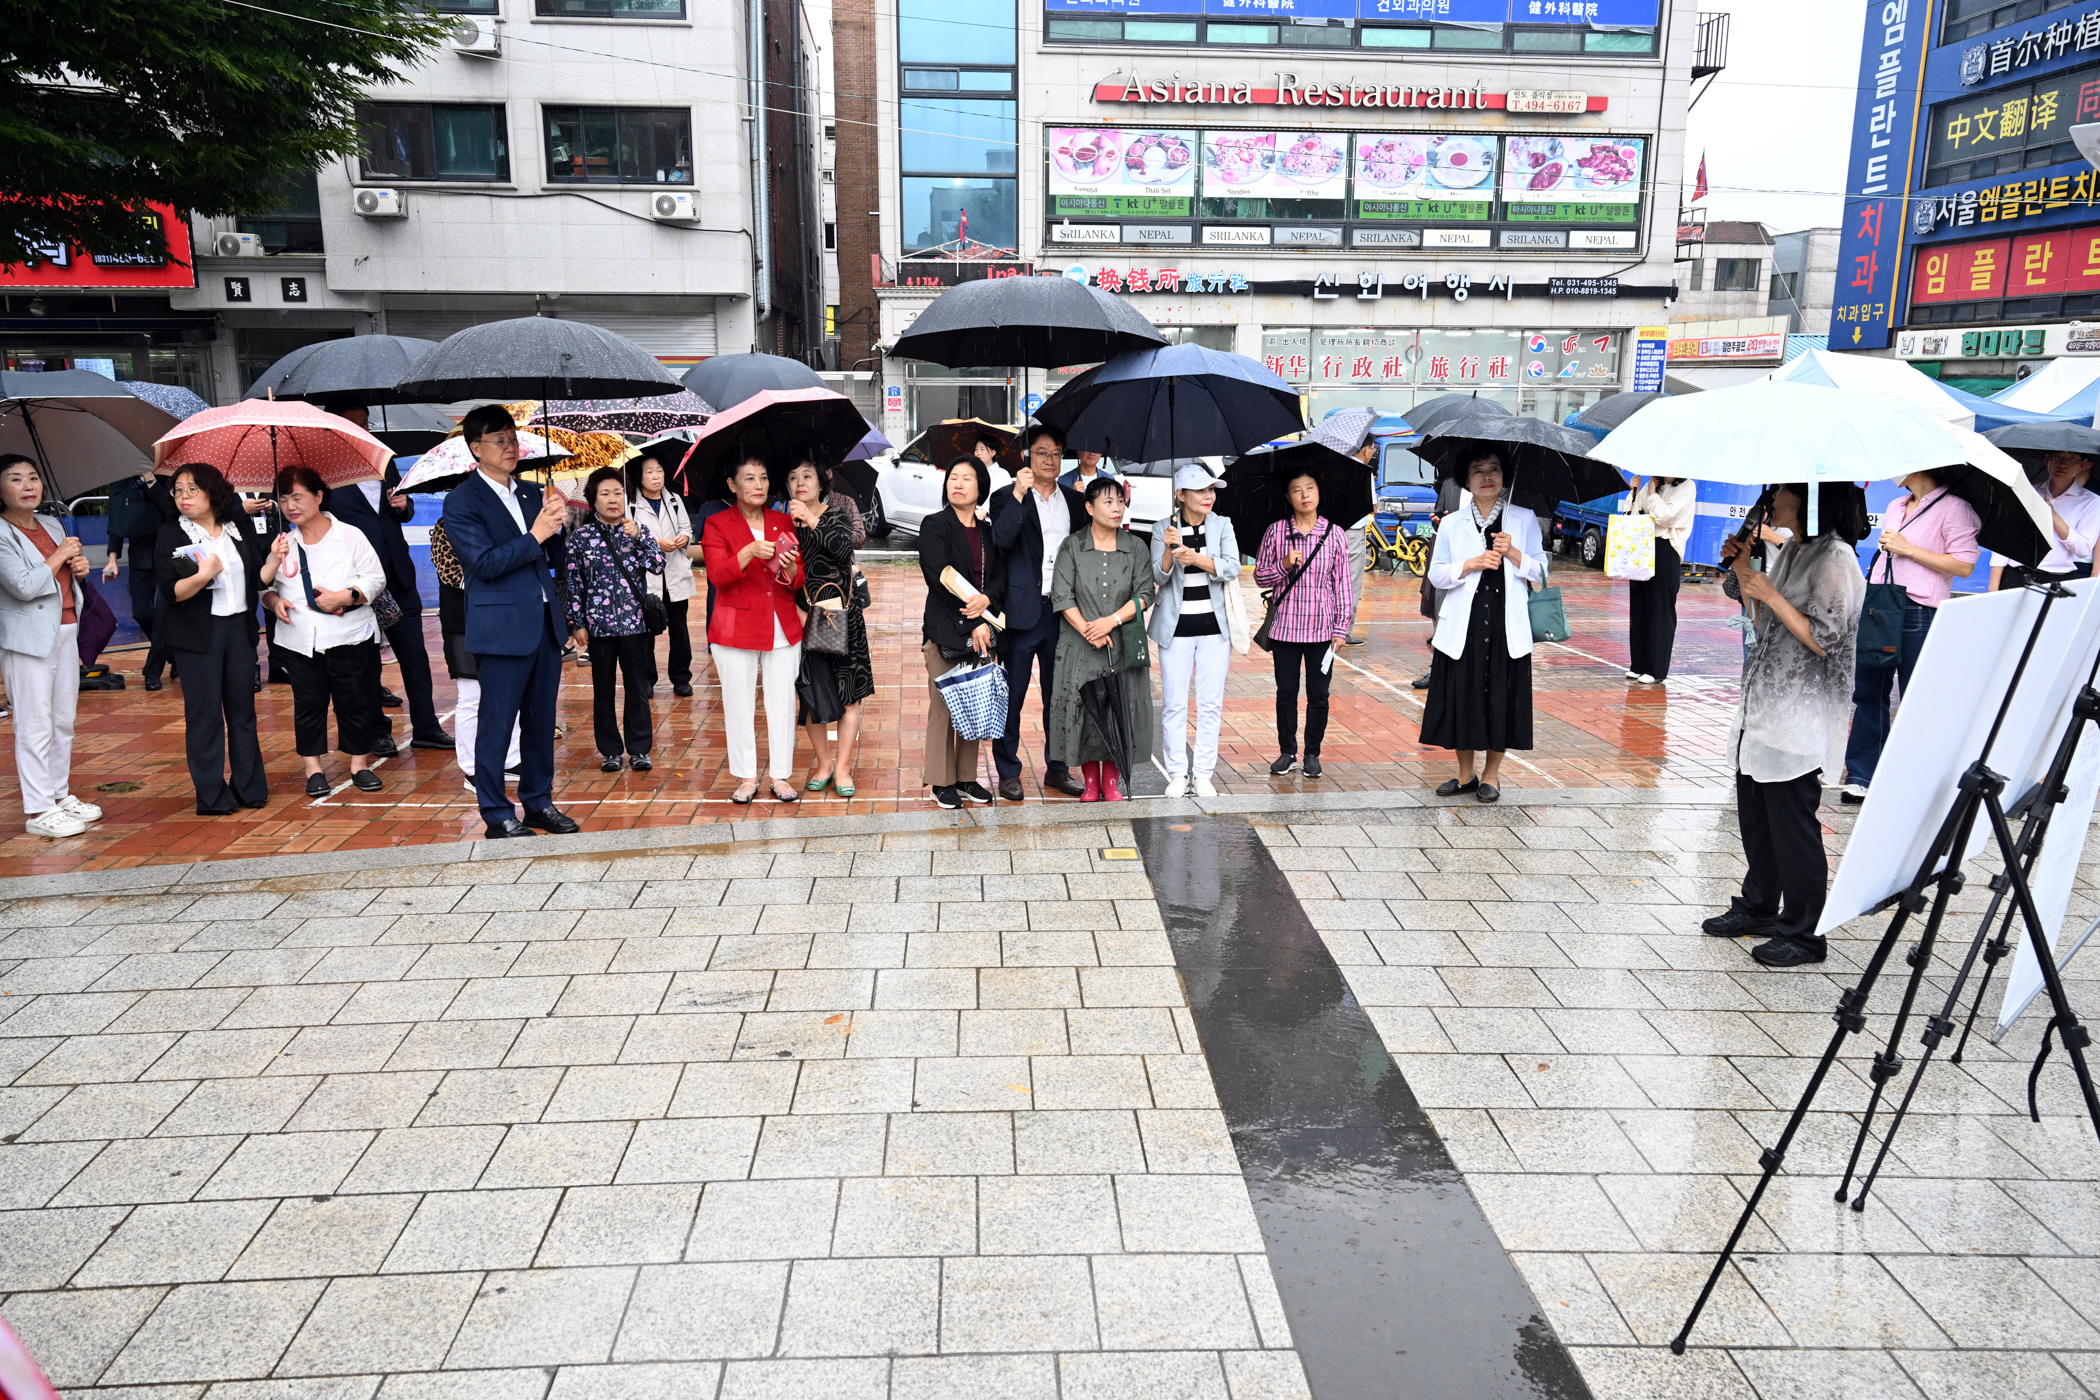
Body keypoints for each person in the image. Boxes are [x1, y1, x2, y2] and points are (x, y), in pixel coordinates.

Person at [1703, 482, 1869, 968]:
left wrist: (1770, 593)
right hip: (1765, 704)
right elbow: (1762, 618)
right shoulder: (1795, 548)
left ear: (1813, 499)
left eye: (1784, 491)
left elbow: (1826, 638)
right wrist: (1742, 566)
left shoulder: (1835, 557)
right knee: (1758, 817)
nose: (1772, 499)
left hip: (1801, 712)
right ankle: (1758, 907)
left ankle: (1803, 933)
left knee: (1793, 824)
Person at [440, 405, 582, 839]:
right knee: (497, 724)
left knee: (541, 723)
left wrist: (558, 527)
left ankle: (538, 802)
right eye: (499, 439)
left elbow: (552, 560)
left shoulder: (529, 493)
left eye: (512, 438)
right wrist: (536, 533)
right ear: (475, 448)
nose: (510, 446)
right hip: (501, 629)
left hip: (542, 623)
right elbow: (484, 564)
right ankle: (496, 813)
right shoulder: (462, 501)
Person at [1838, 470, 1981, 804]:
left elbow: (1963, 566)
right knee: (1869, 693)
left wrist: (1909, 549)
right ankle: (1861, 775)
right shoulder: (1896, 505)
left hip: (1919, 610)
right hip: (1880, 605)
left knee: (1918, 697)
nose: (1893, 470)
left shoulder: (1954, 507)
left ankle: (1919, 776)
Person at [1419, 450, 1548, 803]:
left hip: (1507, 627)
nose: (1487, 476)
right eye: (1478, 471)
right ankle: (1465, 774)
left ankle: (1491, 775)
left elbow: (1542, 573)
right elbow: (1437, 574)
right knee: (1462, 697)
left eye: (1494, 469)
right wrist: (1471, 563)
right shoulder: (1451, 523)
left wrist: (1515, 554)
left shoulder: (1522, 519)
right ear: (1466, 480)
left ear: (1505, 476)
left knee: (1501, 700)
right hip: (1464, 625)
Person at [327, 403, 451, 755]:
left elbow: (401, 511)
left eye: (364, 423)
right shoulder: (326, 473)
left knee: (415, 656)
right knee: (366, 664)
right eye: (352, 424)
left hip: (398, 577)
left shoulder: (385, 462)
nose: (361, 430)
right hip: (356, 583)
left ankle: (426, 727)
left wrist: (405, 506)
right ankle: (378, 731)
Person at [259, 466, 389, 800]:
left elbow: (375, 578)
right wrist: (274, 602)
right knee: (308, 704)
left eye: (298, 497)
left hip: (350, 634)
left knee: (356, 700)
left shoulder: (349, 535)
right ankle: (313, 769)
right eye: (284, 498)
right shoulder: (283, 544)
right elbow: (264, 588)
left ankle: (359, 763)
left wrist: (344, 596)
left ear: (318, 496)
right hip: (300, 638)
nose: (291, 505)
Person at [155, 462, 269, 815]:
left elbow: (256, 579)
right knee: (205, 717)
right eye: (178, 490)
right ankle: (212, 795)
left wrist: (276, 558)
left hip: (239, 629)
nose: (184, 497)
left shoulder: (236, 527)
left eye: (192, 489)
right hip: (197, 636)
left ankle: (249, 788)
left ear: (212, 492)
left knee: (242, 712)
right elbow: (171, 592)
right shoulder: (172, 534)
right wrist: (203, 575)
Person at [988, 423, 1089, 801]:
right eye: (1042, 452)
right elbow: (1001, 540)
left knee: (1060, 696)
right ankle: (1008, 770)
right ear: (1027, 456)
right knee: (1012, 696)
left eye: (1056, 453)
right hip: (1021, 612)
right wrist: (1019, 492)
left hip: (1062, 613)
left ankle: (1058, 767)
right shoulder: (1006, 497)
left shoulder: (1075, 502)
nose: (1050, 459)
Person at [0, 455, 99, 838]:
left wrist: (77, 569)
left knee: (63, 720)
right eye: (15, 479)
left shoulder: (51, 523)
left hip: (66, 629)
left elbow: (62, 577)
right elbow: (22, 586)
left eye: (33, 477)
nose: (28, 486)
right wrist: (58, 556)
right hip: (27, 639)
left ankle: (59, 795)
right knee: (34, 722)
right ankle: (39, 807)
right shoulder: (3, 532)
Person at [703, 455, 805, 804]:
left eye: (763, 478)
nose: (758, 485)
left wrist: (789, 568)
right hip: (734, 628)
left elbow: (797, 580)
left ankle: (780, 775)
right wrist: (747, 551)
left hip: (781, 624)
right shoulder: (717, 524)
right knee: (738, 702)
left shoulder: (781, 519)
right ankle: (746, 776)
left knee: (781, 703)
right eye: (749, 478)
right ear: (733, 485)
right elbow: (717, 576)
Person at [1050, 477, 1157, 802]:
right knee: (1084, 710)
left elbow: (1145, 594)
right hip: (1079, 646)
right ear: (1089, 506)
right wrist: (1088, 629)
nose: (1116, 508)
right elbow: (1061, 595)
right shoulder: (1072, 546)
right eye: (1108, 501)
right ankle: (1091, 781)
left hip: (1121, 644)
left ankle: (1111, 782)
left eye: (1120, 501)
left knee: (1116, 709)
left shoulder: (1135, 546)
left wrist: (1111, 621)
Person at [1253, 467, 1352, 779]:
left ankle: (1312, 753)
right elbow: (1259, 577)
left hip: (1322, 631)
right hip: (1285, 629)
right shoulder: (1276, 532)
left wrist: (1341, 628)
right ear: (1288, 496)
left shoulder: (1333, 533)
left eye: (1310, 488)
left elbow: (1343, 585)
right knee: (1286, 692)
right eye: (1297, 489)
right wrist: (1283, 565)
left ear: (1319, 493)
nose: (1305, 495)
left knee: (1318, 695)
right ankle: (1287, 752)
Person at [917, 455, 1003, 809]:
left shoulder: (987, 530)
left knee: (973, 701)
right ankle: (941, 781)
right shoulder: (934, 524)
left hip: (983, 625)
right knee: (944, 705)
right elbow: (940, 576)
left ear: (980, 487)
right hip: (946, 629)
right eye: (953, 477)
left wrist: (989, 601)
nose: (958, 483)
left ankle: (967, 778)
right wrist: (975, 619)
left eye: (967, 478)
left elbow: (999, 577)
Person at [567, 465, 665, 773]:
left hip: (635, 624)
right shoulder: (581, 538)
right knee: (603, 689)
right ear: (592, 500)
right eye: (605, 493)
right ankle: (610, 750)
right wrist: (577, 622)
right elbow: (573, 582)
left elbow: (657, 565)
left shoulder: (637, 531)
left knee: (637, 688)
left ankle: (639, 750)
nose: (613, 499)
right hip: (598, 627)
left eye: (619, 493)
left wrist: (639, 538)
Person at [785, 458, 873, 798]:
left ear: (822, 483)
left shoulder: (837, 513)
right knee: (811, 695)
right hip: (807, 619)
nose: (799, 482)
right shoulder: (784, 524)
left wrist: (811, 519)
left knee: (850, 698)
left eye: (807, 475)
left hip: (843, 616)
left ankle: (843, 767)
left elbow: (843, 551)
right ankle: (823, 763)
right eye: (793, 477)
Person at [1150, 463, 1238, 798]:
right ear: (1181, 495)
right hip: (1176, 628)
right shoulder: (1163, 528)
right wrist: (1171, 554)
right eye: (1200, 490)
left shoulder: (1222, 525)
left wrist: (1196, 557)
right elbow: (1157, 578)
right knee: (1174, 702)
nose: (1208, 496)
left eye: (1211, 490)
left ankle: (1202, 773)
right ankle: (1177, 773)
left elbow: (1231, 567)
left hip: (1215, 628)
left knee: (1210, 701)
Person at [430, 519, 520, 794]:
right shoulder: (446, 524)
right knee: (471, 696)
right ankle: (471, 768)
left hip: (504, 616)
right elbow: (452, 574)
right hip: (464, 620)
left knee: (509, 690)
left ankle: (511, 760)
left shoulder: (505, 518)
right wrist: (497, 568)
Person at [626, 454, 700, 697]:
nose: (656, 476)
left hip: (675, 574)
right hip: (647, 578)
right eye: (649, 472)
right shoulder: (631, 504)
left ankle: (681, 679)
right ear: (640, 476)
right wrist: (655, 543)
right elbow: (627, 538)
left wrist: (683, 538)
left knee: (679, 630)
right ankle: (647, 680)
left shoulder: (674, 500)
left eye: (659, 470)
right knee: (646, 632)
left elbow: (686, 528)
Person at [1989, 451, 2100, 589]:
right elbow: (2005, 540)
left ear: (2083, 464)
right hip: (2016, 574)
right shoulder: (2029, 493)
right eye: (2057, 457)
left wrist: (2054, 516)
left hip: (2057, 578)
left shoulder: (2091, 501)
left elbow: (2083, 549)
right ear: (2047, 460)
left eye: (2072, 458)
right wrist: (1993, 586)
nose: (2063, 464)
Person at [1625, 475, 1697, 684]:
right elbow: (1632, 514)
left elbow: (1666, 517)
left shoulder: (1687, 486)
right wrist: (1635, 491)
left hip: (1666, 550)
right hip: (1642, 546)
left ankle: (1656, 669)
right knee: (1638, 606)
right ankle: (1637, 664)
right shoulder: (1651, 484)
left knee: (1660, 609)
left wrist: (1652, 495)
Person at [102, 466, 167, 682]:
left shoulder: (167, 474)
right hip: (140, 553)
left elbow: (171, 509)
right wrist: (112, 557)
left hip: (169, 550)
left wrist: (150, 481)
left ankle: (152, 672)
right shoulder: (122, 477)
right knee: (141, 612)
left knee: (164, 615)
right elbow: (117, 519)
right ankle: (172, 654)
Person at [1413, 470, 1465, 690]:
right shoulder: (1451, 483)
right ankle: (1436, 670)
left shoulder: (1500, 489)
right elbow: (1438, 516)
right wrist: (1438, 520)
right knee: (1439, 609)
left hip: (1484, 566)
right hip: (1448, 559)